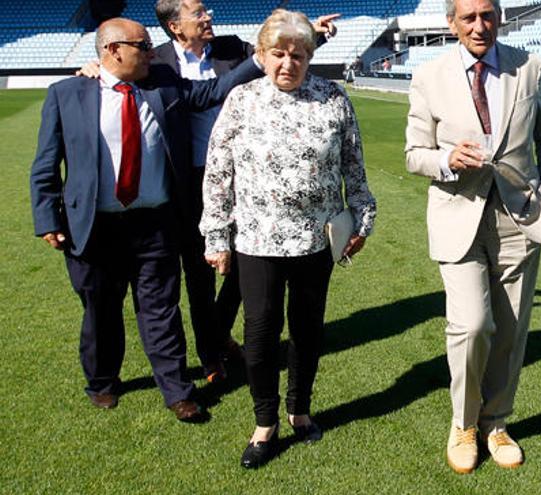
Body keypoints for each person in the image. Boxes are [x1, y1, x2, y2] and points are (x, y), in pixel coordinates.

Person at [29, 18, 264, 421]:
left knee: (161, 309)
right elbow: (46, 163)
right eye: (143, 45)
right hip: (94, 228)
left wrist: (259, 58)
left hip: (155, 224)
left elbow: (211, 91)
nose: (152, 53)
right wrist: (47, 217)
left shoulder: (163, 84)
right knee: (101, 310)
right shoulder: (66, 94)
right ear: (113, 50)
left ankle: (177, 390)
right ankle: (102, 381)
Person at [199, 9, 377, 469]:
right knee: (259, 338)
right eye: (277, 54)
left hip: (316, 241)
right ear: (261, 55)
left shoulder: (332, 98)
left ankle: (299, 410)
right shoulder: (241, 100)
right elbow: (218, 173)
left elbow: (354, 167)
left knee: (307, 333)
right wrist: (216, 236)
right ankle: (265, 422)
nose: (288, 64)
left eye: (298, 55)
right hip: (257, 241)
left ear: (310, 56)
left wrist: (361, 219)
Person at [404, 0, 541, 474]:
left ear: (500, 16)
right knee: (473, 326)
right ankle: (463, 424)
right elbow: (415, 153)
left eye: (487, 14)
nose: (480, 26)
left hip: (519, 218)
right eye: (468, 18)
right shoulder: (429, 76)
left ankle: (496, 424)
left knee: (511, 332)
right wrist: (447, 160)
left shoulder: (529, 66)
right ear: (450, 23)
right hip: (458, 215)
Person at [147, 0, 341, 382]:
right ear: (174, 26)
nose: (209, 17)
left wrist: (311, 34)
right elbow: (204, 94)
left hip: (249, 178)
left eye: (207, 10)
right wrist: (90, 71)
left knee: (247, 266)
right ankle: (211, 355)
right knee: (203, 269)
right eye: (197, 13)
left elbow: (277, 54)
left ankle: (217, 334)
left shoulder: (231, 47)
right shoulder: (158, 65)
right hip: (190, 179)